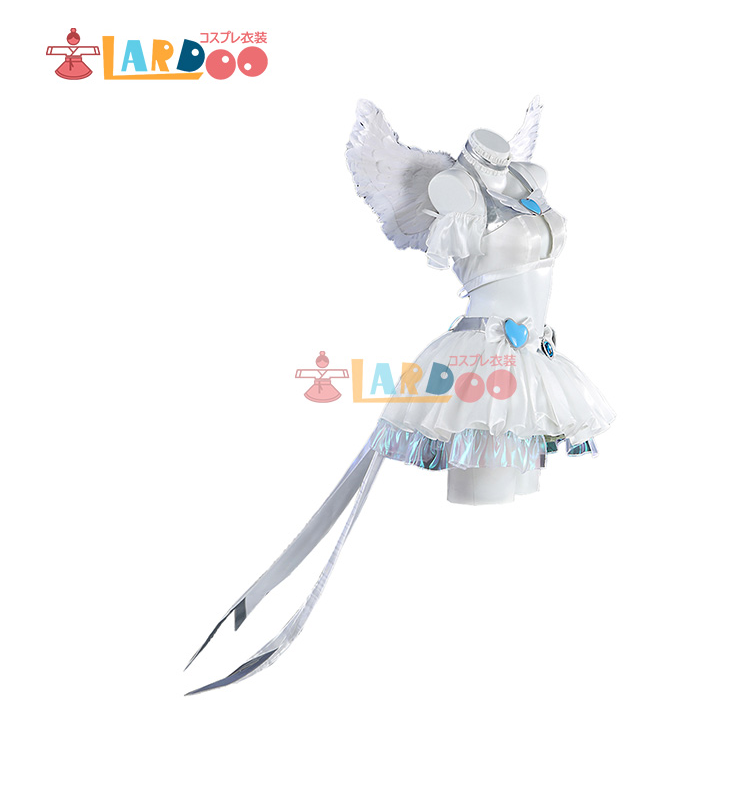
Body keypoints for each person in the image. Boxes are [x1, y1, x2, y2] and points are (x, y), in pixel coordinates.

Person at [184, 98, 615, 694]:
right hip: (483, 360)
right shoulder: (452, 187)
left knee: (515, 511)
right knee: (482, 510)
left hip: (535, 361)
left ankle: (503, 636)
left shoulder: (529, 178)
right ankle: (441, 636)